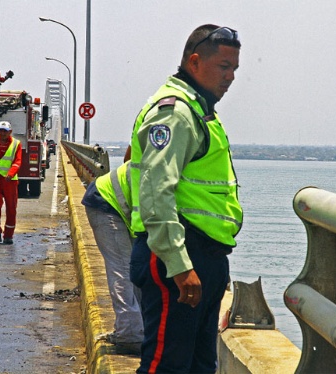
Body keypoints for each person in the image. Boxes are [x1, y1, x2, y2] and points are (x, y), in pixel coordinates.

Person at [128, 24, 243, 373]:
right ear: (195, 62)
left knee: (199, 365)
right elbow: (155, 193)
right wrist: (179, 265)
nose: (231, 77)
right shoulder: (175, 112)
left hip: (205, 256)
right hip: (178, 257)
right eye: (224, 67)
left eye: (235, 69)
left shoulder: (200, 111)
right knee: (167, 365)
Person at [81, 161, 144, 355]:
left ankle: (138, 329)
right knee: (122, 270)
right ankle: (130, 336)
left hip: (118, 204)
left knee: (137, 269)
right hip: (104, 203)